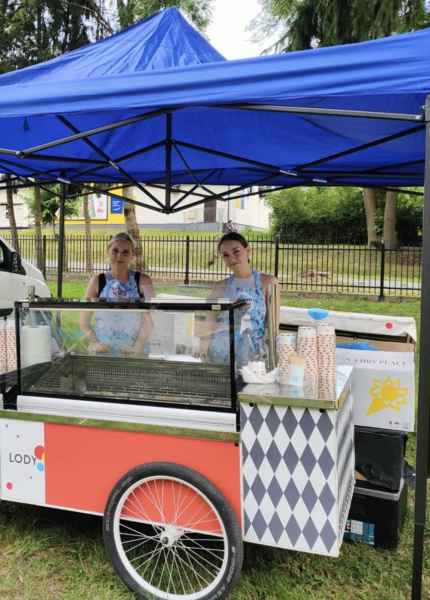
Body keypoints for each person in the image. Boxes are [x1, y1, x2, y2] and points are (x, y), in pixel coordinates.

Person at [203, 232, 279, 367]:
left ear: (248, 250)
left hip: (252, 358)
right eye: (226, 255)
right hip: (220, 355)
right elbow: (208, 321)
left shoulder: (268, 283)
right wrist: (202, 345)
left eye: (236, 251)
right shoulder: (220, 286)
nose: (232, 258)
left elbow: (273, 325)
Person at [80, 232, 154, 355]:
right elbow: (84, 321)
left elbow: (150, 320)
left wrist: (137, 347)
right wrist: (96, 343)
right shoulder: (97, 281)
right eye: (115, 250)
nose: (119, 255)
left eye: (125, 252)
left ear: (132, 255)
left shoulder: (144, 281)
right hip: (103, 351)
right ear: (108, 252)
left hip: (134, 351)